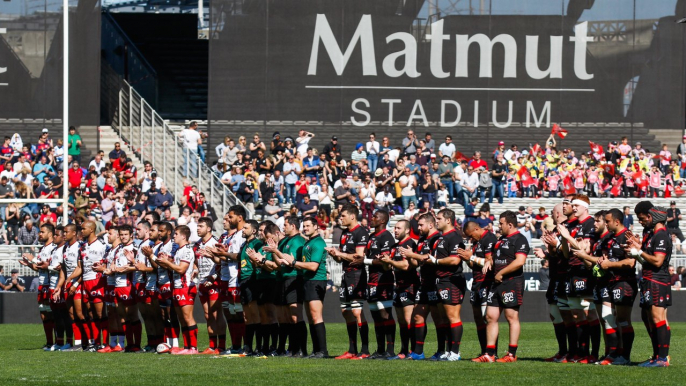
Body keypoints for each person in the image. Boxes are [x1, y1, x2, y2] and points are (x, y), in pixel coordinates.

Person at [473, 210, 529, 363]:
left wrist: (501, 273)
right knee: (490, 316)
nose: (499, 226)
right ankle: (489, 354)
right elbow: (493, 257)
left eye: (501, 223)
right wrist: (489, 262)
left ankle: (511, 354)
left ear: (510, 224)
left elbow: (519, 261)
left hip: (512, 281)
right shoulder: (500, 240)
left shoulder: (520, 239)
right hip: (496, 283)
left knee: (511, 317)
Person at [556, 194, 601, 363]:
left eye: (577, 205)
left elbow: (585, 250)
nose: (574, 207)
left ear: (585, 207)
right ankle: (581, 352)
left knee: (589, 313)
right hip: (572, 270)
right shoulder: (574, 225)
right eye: (572, 205)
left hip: (584, 270)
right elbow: (568, 254)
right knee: (577, 314)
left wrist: (567, 237)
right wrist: (564, 239)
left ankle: (593, 353)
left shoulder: (590, 223)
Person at [627, 202, 672, 367]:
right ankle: (656, 356)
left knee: (657, 318)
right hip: (648, 279)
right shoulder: (651, 233)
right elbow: (646, 258)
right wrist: (637, 249)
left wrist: (638, 251)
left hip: (657, 279)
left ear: (651, 216)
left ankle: (662, 358)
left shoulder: (660, 235)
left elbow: (658, 261)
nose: (640, 222)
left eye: (642, 218)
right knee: (647, 318)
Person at [325, 204, 370, 360]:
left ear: (352, 216)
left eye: (343, 215)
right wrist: (335, 255)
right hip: (345, 274)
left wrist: (340, 254)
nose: (340, 218)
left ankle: (365, 350)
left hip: (357, 274)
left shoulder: (361, 232)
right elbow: (342, 257)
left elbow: (358, 257)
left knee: (357, 311)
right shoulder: (344, 233)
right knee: (346, 312)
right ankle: (352, 350)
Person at [596, 208, 634, 366]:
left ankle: (624, 356)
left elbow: (631, 262)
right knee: (608, 317)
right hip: (611, 282)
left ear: (617, 221)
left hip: (624, 282)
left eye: (608, 221)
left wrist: (610, 264)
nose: (606, 223)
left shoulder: (627, 237)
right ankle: (613, 354)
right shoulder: (610, 238)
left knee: (623, 320)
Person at [157, 225, 199, 355]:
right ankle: (186, 346)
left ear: (183, 236)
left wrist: (167, 263)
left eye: (176, 234)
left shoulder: (186, 250)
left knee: (188, 317)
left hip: (185, 287)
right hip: (176, 287)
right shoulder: (178, 251)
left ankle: (193, 348)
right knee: (181, 318)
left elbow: (181, 269)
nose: (174, 236)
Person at [360, 210, 396, 359]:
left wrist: (365, 261)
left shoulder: (387, 237)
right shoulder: (372, 236)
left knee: (385, 314)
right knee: (375, 314)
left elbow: (385, 260)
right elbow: (368, 256)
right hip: (372, 280)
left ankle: (390, 350)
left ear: (382, 221)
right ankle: (380, 349)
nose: (371, 219)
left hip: (384, 279)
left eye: (375, 217)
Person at [460, 221, 497, 356]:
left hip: (486, 282)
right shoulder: (477, 242)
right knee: (477, 317)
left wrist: (472, 257)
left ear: (476, 229)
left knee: (486, 316)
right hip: (476, 282)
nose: (470, 238)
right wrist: (466, 259)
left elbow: (490, 262)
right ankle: (483, 351)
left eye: (471, 235)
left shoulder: (489, 238)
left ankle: (491, 352)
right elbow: (474, 265)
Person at [18, 223, 56, 348]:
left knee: (52, 313)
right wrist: (28, 264)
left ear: (50, 234)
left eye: (42, 232)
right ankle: (50, 342)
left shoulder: (53, 248)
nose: (40, 234)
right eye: (40, 232)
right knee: (43, 313)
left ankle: (59, 341)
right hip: (41, 285)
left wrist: (33, 258)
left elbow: (51, 267)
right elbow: (40, 268)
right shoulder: (43, 248)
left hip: (50, 285)